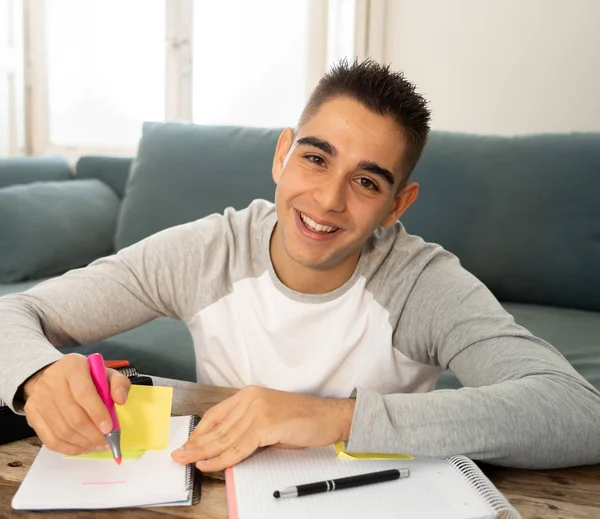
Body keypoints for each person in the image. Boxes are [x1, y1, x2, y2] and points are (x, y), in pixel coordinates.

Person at [0, 60, 599, 473]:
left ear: (397, 204)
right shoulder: (207, 251)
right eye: (315, 159)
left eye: (367, 181)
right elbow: (17, 311)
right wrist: (35, 376)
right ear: (282, 155)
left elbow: (576, 413)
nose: (328, 200)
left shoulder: (422, 284)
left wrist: (334, 418)